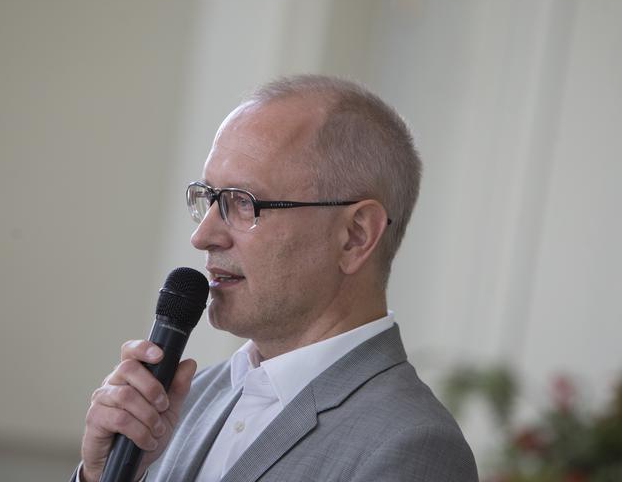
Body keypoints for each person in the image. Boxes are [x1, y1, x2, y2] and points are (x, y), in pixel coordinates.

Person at [72, 75, 478, 482]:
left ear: (355, 235)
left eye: (242, 202)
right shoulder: (178, 403)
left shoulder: (412, 444)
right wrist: (99, 476)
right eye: (209, 197)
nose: (203, 236)